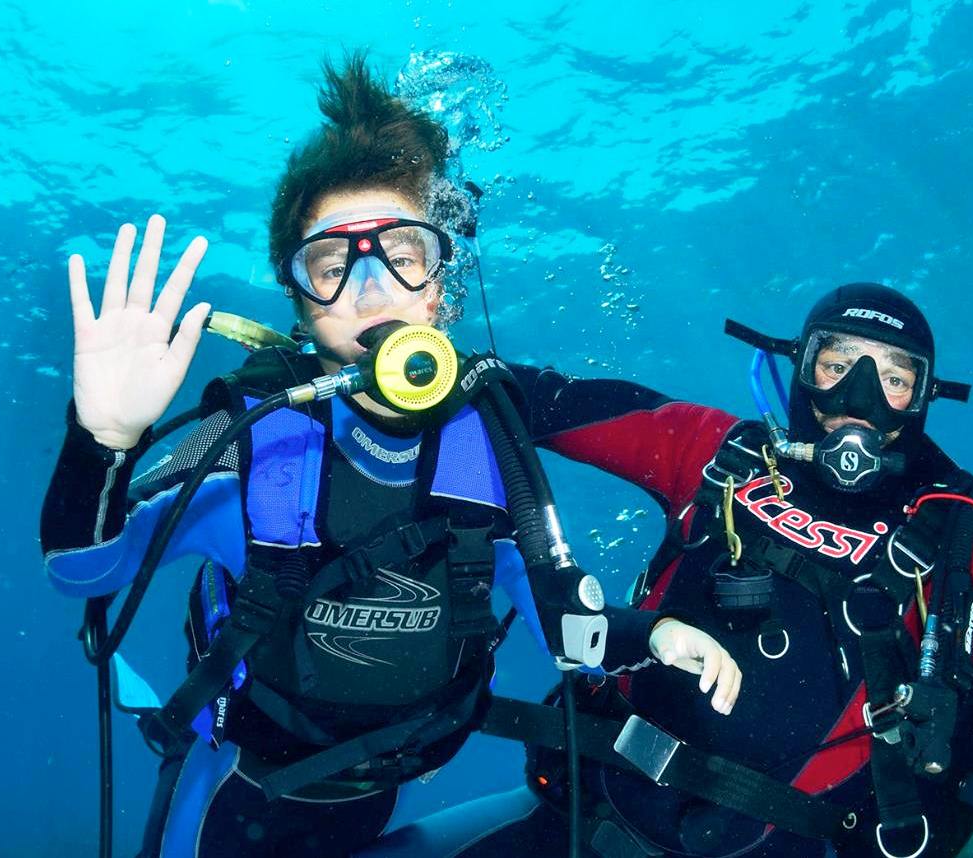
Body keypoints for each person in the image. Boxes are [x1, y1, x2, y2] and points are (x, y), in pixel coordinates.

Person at [39, 56, 741, 858]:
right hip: (240, 793)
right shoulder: (254, 444)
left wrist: (647, 637)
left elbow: (566, 627)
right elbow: (82, 573)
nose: (370, 289)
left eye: (401, 253)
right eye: (331, 266)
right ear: (301, 306)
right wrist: (103, 442)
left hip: (389, 785)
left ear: (440, 285)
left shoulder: (489, 443)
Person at [363, 282, 973, 857]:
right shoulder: (716, 455)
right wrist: (400, 357)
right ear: (797, 366)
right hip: (579, 812)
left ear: (922, 400)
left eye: (893, 377)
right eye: (836, 362)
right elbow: (532, 400)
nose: (859, 395)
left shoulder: (960, 556)